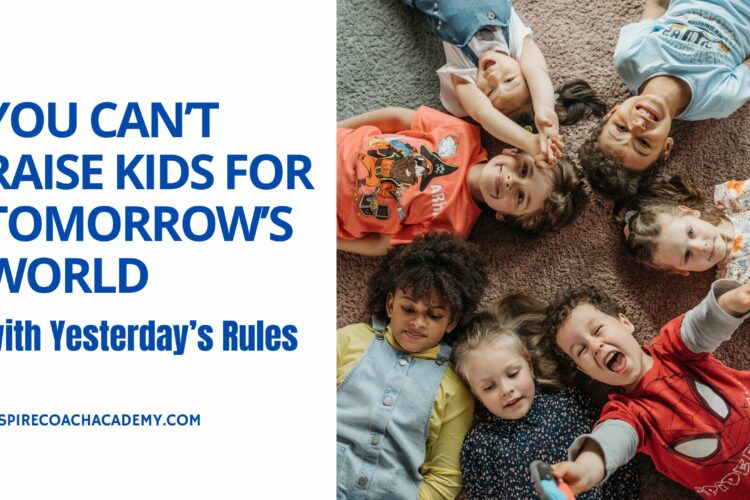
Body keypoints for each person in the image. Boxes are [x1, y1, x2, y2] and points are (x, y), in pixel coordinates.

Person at [546, 282, 750, 498]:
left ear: (625, 322)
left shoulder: (674, 347)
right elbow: (611, 440)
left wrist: (733, 302)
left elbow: (702, 324)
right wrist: (585, 471)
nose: (596, 346)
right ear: (584, 370)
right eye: (582, 350)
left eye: (597, 330)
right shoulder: (626, 414)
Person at [337, 232, 488, 499]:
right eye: (408, 309)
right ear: (390, 304)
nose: (418, 323)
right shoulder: (351, 339)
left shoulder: (455, 389)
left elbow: (445, 477)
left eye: (434, 315)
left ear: (451, 322)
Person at [452, 294, 640, 499]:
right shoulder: (478, 446)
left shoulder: (569, 402)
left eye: (513, 374)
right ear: (475, 393)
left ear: (530, 366)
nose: (506, 389)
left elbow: (613, 460)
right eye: (489, 387)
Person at [337, 106, 584, 255]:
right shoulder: (464, 134)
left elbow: (383, 243)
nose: (510, 181)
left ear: (505, 216)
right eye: (523, 170)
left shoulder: (453, 230)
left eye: (520, 197)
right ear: (510, 151)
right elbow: (397, 119)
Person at [578, 0, 750, 200]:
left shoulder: (629, 58)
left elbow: (658, 5)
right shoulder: (720, 99)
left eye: (621, 128)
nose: (638, 125)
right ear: (666, 147)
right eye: (643, 142)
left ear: (611, 113)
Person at [402, 0, 605, 167]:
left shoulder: (465, 67)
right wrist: (545, 110)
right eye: (509, 80)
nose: (493, 77)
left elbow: (483, 114)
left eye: (489, 92)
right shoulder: (515, 42)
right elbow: (537, 71)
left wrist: (527, 141)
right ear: (521, 68)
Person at [616, 176, 750, 281]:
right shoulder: (733, 284)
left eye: (691, 233)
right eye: (687, 255)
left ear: (690, 212)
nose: (700, 247)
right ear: (679, 271)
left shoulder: (732, 198)